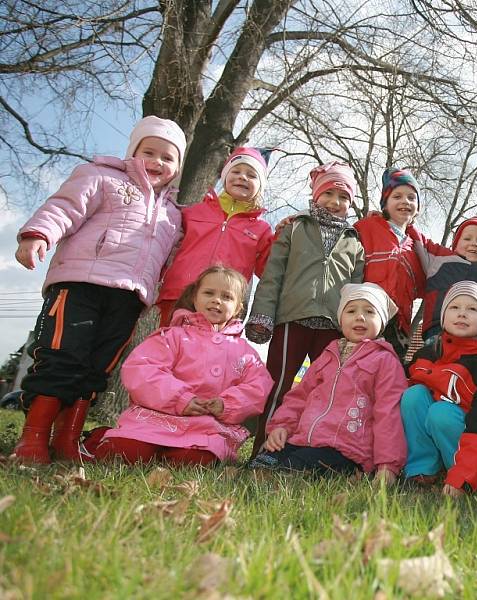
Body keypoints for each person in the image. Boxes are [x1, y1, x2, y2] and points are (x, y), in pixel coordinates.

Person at [11, 115, 186, 464]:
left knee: (96, 369)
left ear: (178, 166)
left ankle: (67, 440)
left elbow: (173, 257)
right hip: (81, 284)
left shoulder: (172, 214)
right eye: (149, 152)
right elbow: (65, 207)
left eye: (168, 158)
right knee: (62, 357)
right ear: (132, 152)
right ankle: (32, 440)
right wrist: (38, 234)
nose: (157, 162)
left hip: (129, 297)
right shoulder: (102, 178)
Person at [92, 267, 271, 465]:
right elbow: (142, 369)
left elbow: (258, 387)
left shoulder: (245, 353)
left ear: (238, 308)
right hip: (155, 418)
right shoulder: (173, 336)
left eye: (227, 297)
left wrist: (227, 404)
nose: (217, 300)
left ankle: (176, 455)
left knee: (195, 460)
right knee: (124, 452)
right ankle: (97, 438)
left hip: (205, 426)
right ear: (195, 298)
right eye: (209, 293)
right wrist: (180, 398)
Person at [245, 161, 364, 456]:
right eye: (328, 194)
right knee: (279, 385)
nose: (335, 202)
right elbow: (273, 275)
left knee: (323, 389)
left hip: (332, 326)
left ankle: (302, 453)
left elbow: (355, 290)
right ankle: (262, 451)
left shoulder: (354, 242)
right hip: (293, 318)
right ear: (315, 196)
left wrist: (354, 327)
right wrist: (263, 314)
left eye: (343, 197)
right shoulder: (295, 228)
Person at [248, 283, 406, 482]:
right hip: (303, 440)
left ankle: (328, 473)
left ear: (382, 323)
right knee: (259, 465)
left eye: (370, 312)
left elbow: (388, 414)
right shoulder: (328, 355)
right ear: (341, 320)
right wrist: (282, 426)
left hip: (346, 450)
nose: (360, 317)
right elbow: (300, 396)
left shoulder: (385, 361)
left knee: (289, 473)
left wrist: (387, 465)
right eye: (351, 311)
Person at [401, 282, 477, 496]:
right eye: (454, 307)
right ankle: (422, 469)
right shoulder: (426, 354)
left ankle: (465, 480)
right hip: (439, 434)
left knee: (441, 412)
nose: (462, 314)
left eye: (472, 309)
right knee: (413, 395)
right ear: (443, 317)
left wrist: (465, 478)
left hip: (474, 456)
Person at [155, 147, 274, 327]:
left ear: (260, 186)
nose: (243, 177)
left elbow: (269, 268)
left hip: (223, 304)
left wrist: (284, 235)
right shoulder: (194, 212)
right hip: (179, 294)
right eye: (236, 171)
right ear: (225, 176)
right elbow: (165, 247)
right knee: (170, 349)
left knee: (209, 354)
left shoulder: (261, 229)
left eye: (252, 175)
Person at [354, 167, 427, 359]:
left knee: (390, 379)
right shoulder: (366, 228)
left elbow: (447, 261)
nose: (405, 201)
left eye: (412, 198)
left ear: (418, 208)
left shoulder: (417, 247)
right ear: (385, 204)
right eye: (397, 196)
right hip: (365, 319)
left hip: (399, 327)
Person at [411, 216, 477, 341]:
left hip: (473, 332)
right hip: (437, 328)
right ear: (455, 243)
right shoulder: (439, 258)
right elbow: (418, 240)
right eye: (467, 238)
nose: (474, 243)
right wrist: (387, 220)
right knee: (434, 359)